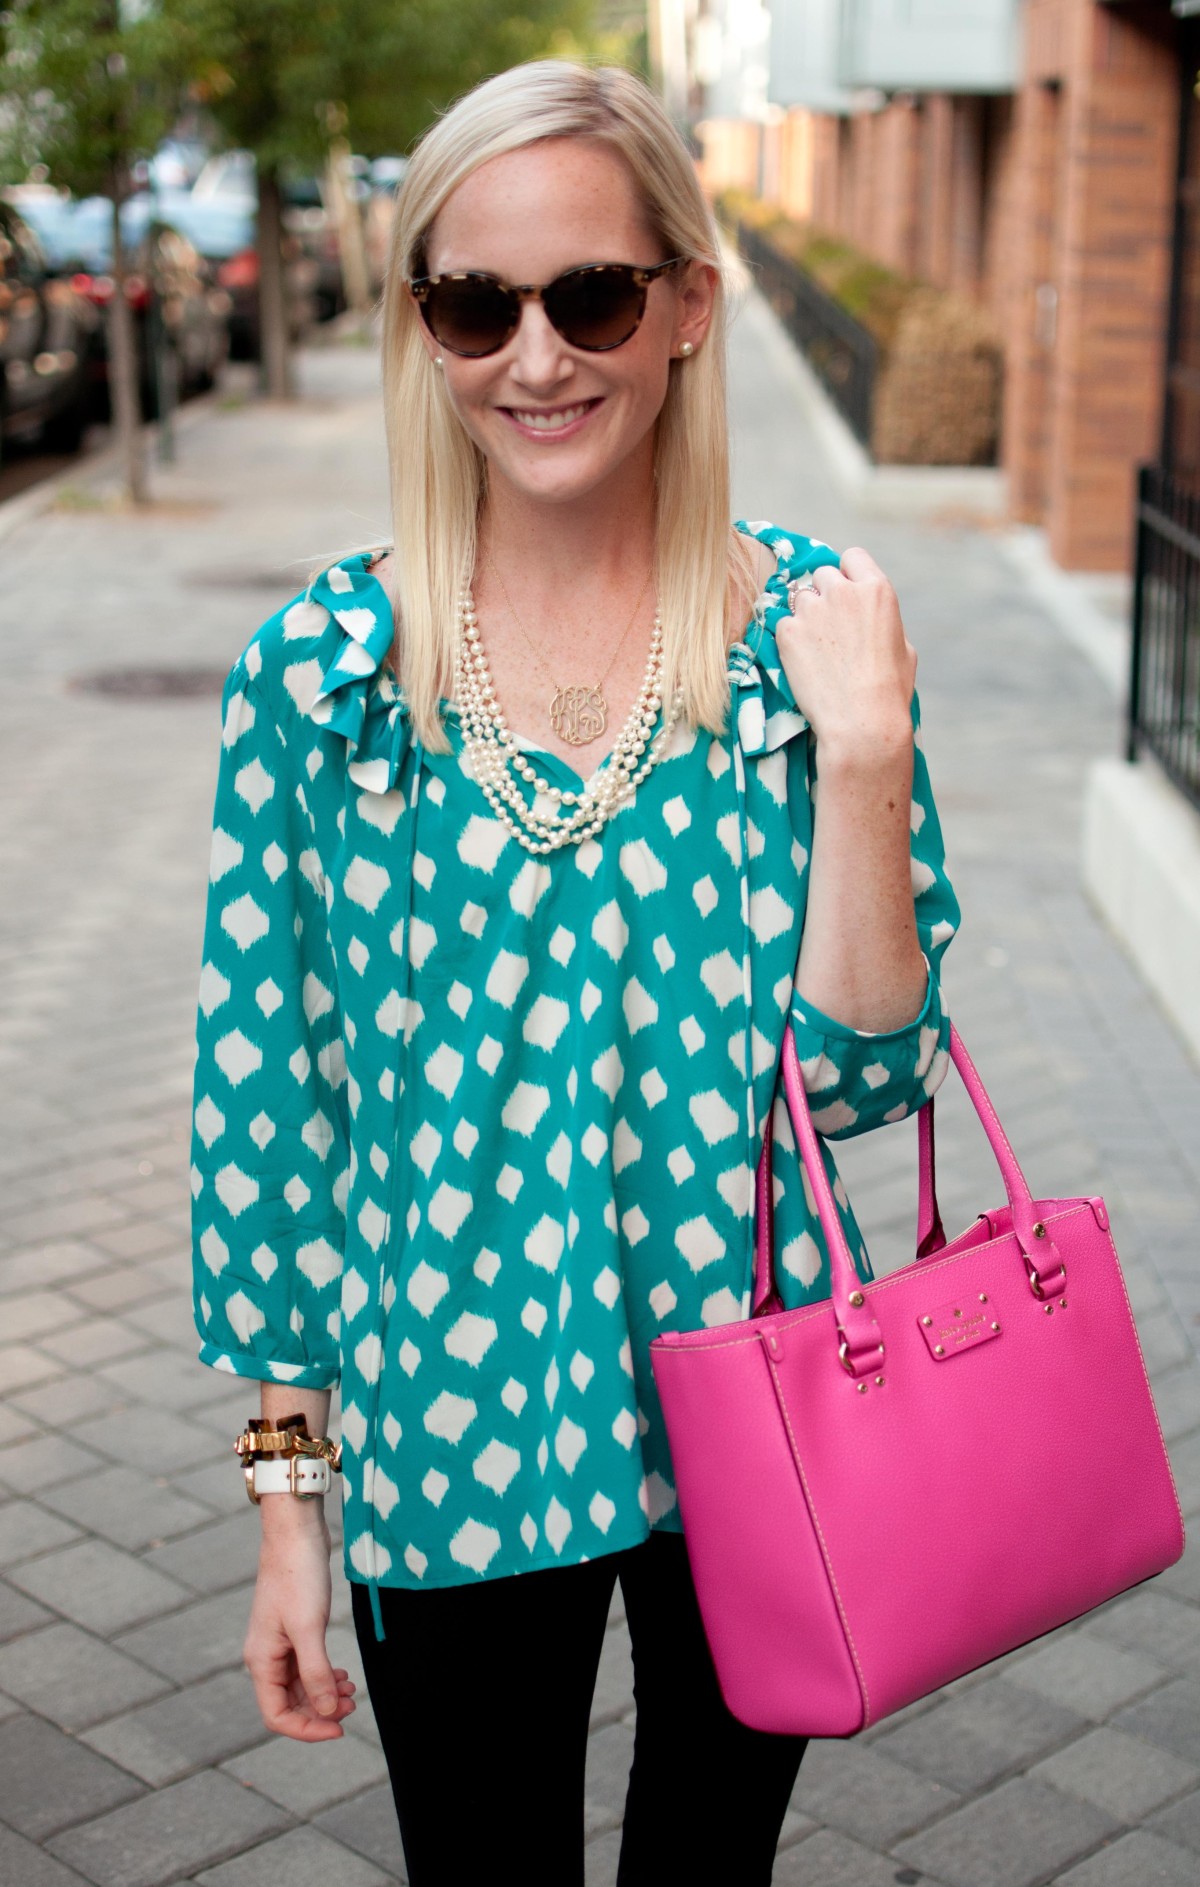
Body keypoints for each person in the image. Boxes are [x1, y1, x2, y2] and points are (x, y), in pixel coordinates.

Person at [189, 58, 960, 1884]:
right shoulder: (318, 673)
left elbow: (863, 1079)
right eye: (475, 303)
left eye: (590, 294)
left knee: (708, 1871)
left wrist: (858, 759)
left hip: (758, 1416)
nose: (534, 359)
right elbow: (269, 1127)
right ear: (422, 328)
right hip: (449, 1428)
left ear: (688, 305)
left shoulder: (808, 635)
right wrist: (287, 1512)